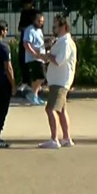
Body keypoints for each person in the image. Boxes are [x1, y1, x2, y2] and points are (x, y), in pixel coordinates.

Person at [37, 15, 77, 148]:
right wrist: (46, 54)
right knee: (61, 110)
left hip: (60, 82)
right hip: (58, 81)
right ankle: (66, 138)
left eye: (55, 26)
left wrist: (48, 55)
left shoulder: (66, 42)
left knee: (50, 109)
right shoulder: (61, 41)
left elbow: (59, 60)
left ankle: (54, 139)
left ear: (63, 27)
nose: (53, 28)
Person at [22, 12, 47, 105]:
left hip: (40, 57)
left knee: (38, 78)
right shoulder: (30, 30)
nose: (41, 23)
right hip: (33, 58)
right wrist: (34, 53)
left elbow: (39, 43)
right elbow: (26, 43)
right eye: (39, 21)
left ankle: (34, 95)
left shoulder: (39, 30)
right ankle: (33, 94)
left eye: (42, 21)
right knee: (41, 77)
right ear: (34, 20)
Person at [16, 0, 40, 94]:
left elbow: (38, 26)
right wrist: (23, 28)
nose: (25, 6)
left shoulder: (36, 13)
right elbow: (20, 26)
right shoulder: (24, 13)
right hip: (24, 38)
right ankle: (25, 80)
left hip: (33, 39)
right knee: (22, 59)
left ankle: (35, 82)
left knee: (33, 60)